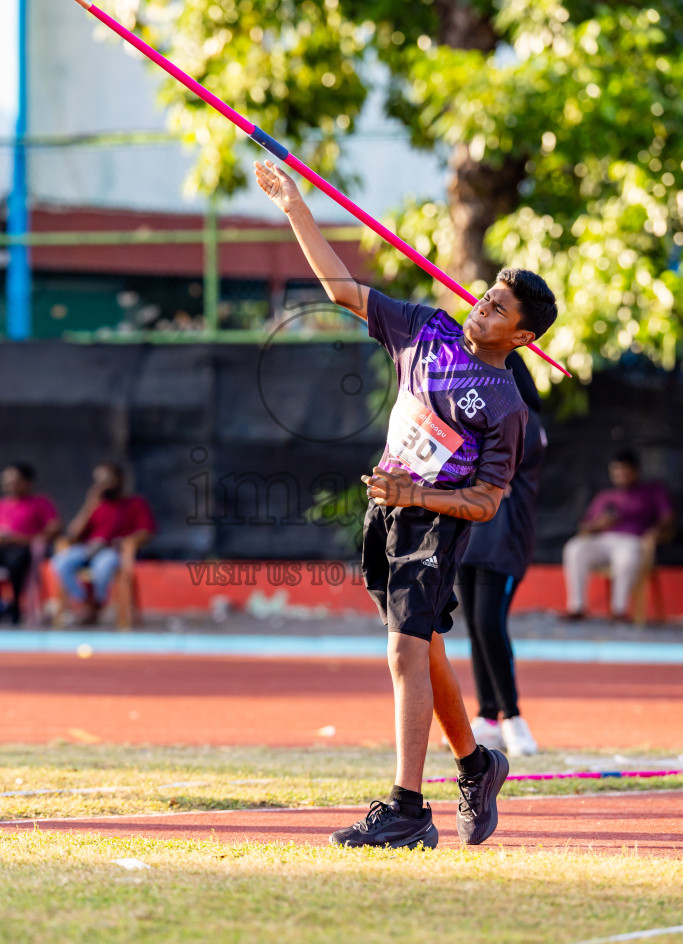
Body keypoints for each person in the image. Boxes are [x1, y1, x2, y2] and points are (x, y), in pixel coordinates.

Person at [254, 159, 558, 850]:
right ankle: (478, 766)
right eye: (484, 296)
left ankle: (406, 807)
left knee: (403, 650)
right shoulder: (426, 328)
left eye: (498, 309)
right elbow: (339, 288)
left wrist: (415, 494)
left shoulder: (505, 404)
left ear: (521, 337)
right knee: (422, 651)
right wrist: (295, 206)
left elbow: (483, 502)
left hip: (431, 520)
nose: (481, 306)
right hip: (384, 510)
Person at [455, 353, 546, 758]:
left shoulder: (526, 423)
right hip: (471, 534)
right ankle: (488, 715)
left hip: (504, 539)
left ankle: (513, 716)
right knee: (475, 626)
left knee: (490, 623)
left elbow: (490, 464)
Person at [563, 450, 674, 621]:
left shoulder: (652, 491)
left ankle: (619, 610)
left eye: (624, 470)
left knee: (626, 557)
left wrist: (655, 532)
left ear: (636, 471)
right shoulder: (605, 496)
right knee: (575, 547)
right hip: (604, 540)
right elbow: (584, 529)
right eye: (616, 471)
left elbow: (668, 518)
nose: (620, 474)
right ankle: (577, 607)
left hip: (634, 540)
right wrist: (599, 524)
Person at [51, 461, 155, 625]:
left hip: (112, 551)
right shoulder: (97, 504)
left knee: (103, 566)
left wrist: (126, 541)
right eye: (98, 481)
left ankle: (97, 604)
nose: (102, 485)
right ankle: (83, 601)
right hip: (88, 548)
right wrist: (89, 505)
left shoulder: (136, 503)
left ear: (119, 480)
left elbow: (146, 532)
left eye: (106, 480)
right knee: (61, 562)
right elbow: (73, 533)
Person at [0, 463, 60, 625]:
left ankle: (16, 608)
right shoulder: (2, 504)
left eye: (14, 480)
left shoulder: (40, 502)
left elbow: (53, 528)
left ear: (27, 482)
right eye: (6, 480)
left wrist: (18, 538)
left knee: (16, 563)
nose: (8, 484)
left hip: (26, 549)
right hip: (2, 549)